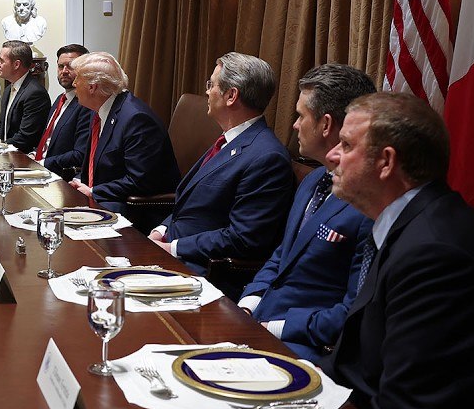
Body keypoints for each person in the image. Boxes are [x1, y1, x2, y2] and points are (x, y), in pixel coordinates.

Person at [324, 92, 474, 409]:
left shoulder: (433, 252)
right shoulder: (409, 222)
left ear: (386, 162)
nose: (332, 156)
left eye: (346, 145)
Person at [238, 64, 376, 364]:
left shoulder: (368, 204)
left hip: (306, 346)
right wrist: (249, 302)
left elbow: (352, 311)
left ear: (326, 124)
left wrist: (275, 328)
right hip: (257, 319)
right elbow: (282, 254)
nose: (294, 126)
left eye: (301, 116)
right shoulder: (313, 179)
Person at [148, 52, 295, 282]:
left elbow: (243, 239)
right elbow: (190, 208)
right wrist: (162, 230)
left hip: (201, 271)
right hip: (172, 254)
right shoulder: (230, 140)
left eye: (211, 85)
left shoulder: (267, 158)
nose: (207, 91)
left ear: (231, 95)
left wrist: (174, 248)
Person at [65, 52, 179, 228]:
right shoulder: (100, 112)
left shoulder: (136, 119)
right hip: (106, 198)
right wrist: (81, 181)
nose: (73, 84)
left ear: (92, 87)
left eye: (77, 78)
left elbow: (139, 181)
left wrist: (94, 191)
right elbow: (96, 163)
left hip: (132, 207)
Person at [35, 43, 92, 176]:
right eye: (61, 66)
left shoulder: (87, 105)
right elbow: (48, 141)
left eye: (71, 66)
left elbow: (80, 154)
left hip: (61, 176)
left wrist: (43, 162)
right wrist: (34, 155)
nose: (64, 71)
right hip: (40, 168)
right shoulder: (60, 99)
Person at [0, 40, 50, 152]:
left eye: (2, 61)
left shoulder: (35, 93)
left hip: (23, 158)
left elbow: (25, 138)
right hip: (6, 153)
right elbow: (0, 126)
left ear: (16, 64)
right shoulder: (9, 89)